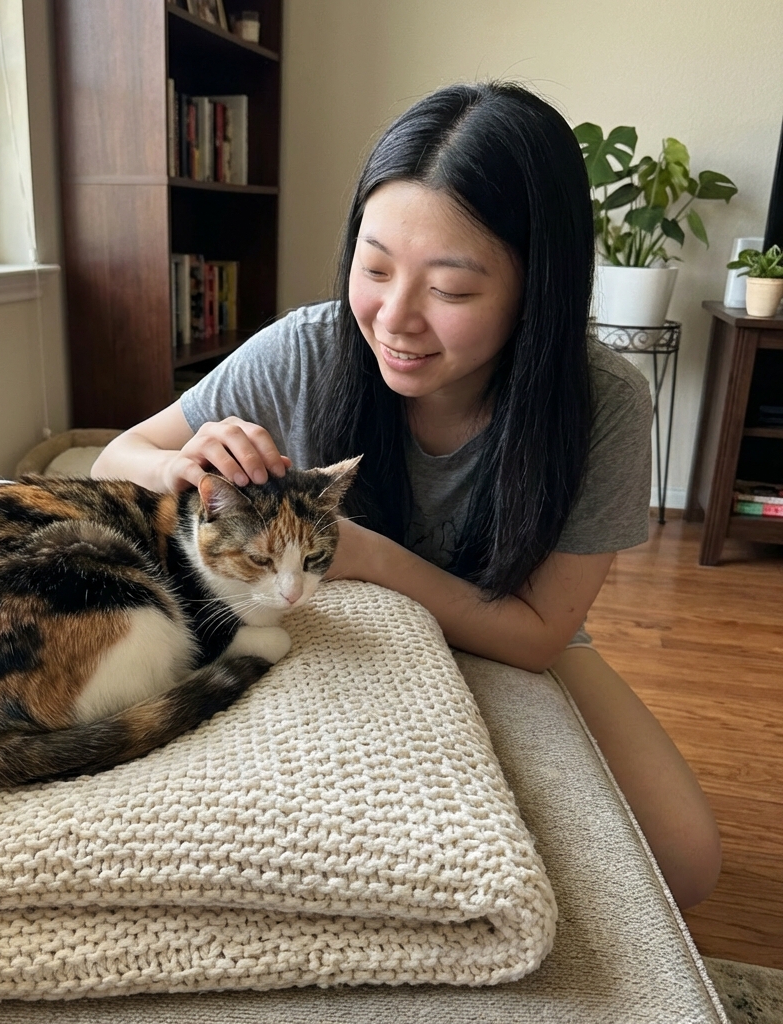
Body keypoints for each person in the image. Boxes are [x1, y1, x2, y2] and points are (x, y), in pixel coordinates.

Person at [93, 82, 721, 909]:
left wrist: (374, 559)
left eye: (451, 290)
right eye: (375, 266)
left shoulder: (600, 403)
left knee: (684, 861)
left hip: (501, 636)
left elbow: (537, 635)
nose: (393, 317)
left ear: (539, 288)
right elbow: (114, 458)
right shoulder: (306, 352)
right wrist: (180, 469)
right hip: (338, 639)